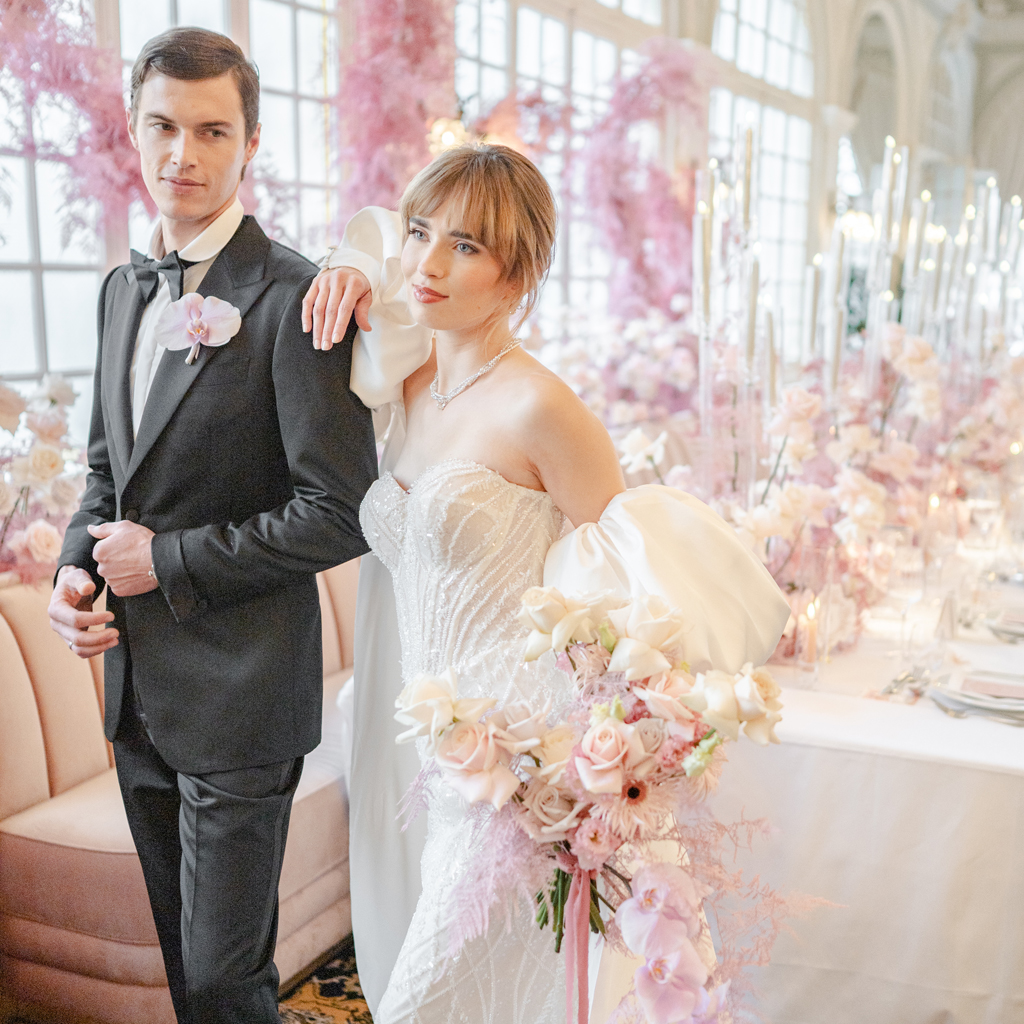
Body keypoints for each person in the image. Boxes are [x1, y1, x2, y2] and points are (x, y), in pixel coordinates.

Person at [303, 144, 791, 1022]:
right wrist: (348, 266)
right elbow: (357, 251)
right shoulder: (400, 381)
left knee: (428, 999)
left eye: (465, 246)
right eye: (421, 233)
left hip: (523, 758)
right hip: (428, 748)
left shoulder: (540, 406)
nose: (428, 262)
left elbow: (631, 577)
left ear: (517, 274)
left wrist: (598, 761)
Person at [47, 28, 376, 1024]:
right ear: (133, 130)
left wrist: (167, 561)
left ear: (251, 142)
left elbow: (340, 512)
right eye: (162, 126)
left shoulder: (296, 296)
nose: (181, 153)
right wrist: (74, 574)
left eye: (211, 130)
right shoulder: (120, 290)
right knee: (191, 981)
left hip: (243, 695)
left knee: (229, 985)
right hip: (135, 691)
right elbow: (108, 474)